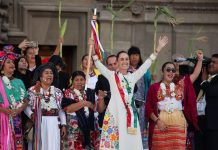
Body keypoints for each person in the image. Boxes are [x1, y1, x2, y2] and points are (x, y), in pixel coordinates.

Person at [92, 36, 168, 150]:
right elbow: (98, 63)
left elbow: (146, 64)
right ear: (117, 62)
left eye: (126, 59)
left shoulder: (133, 77)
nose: (125, 61)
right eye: (122, 59)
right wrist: (92, 47)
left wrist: (158, 49)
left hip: (130, 116)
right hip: (115, 114)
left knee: (130, 144)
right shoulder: (111, 75)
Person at [145, 61, 198, 150]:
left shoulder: (180, 86)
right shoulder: (154, 87)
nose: (171, 72)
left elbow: (195, 74)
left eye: (173, 70)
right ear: (162, 71)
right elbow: (148, 108)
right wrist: (158, 121)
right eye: (168, 70)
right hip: (161, 126)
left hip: (178, 127)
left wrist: (199, 60)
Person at [24, 63, 66, 150]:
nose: (49, 75)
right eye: (46, 73)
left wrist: (63, 124)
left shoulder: (58, 92)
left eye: (51, 73)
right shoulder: (32, 90)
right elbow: (26, 106)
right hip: (39, 122)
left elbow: (61, 109)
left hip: (54, 124)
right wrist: (31, 115)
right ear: (40, 76)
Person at [62, 71, 101, 149]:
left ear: (85, 80)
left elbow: (96, 109)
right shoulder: (68, 92)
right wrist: (84, 103)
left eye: (81, 79)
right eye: (76, 80)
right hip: (74, 126)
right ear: (72, 81)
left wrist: (101, 98)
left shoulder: (91, 92)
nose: (79, 82)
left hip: (91, 125)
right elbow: (68, 109)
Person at [0, 45, 28, 150]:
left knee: (17, 144)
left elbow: (25, 100)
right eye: (8, 62)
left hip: (16, 117)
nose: (11, 64)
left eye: (12, 62)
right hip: (3, 118)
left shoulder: (19, 81)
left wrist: (19, 109)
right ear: (2, 66)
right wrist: (6, 111)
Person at [128, 46, 151, 149]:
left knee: (142, 130)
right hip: (129, 106)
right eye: (132, 55)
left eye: (137, 55)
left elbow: (148, 86)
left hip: (142, 106)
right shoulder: (125, 70)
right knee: (131, 130)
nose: (134, 57)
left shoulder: (144, 70)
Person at [201, 54, 218, 150]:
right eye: (210, 62)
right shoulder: (207, 78)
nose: (211, 64)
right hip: (203, 123)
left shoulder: (206, 80)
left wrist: (204, 81)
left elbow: (212, 91)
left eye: (214, 62)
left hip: (215, 125)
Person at [95, 55, 118, 128]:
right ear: (107, 66)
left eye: (115, 64)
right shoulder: (101, 78)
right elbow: (97, 92)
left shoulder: (126, 75)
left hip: (122, 113)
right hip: (107, 112)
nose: (113, 66)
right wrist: (102, 94)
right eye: (110, 65)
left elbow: (135, 89)